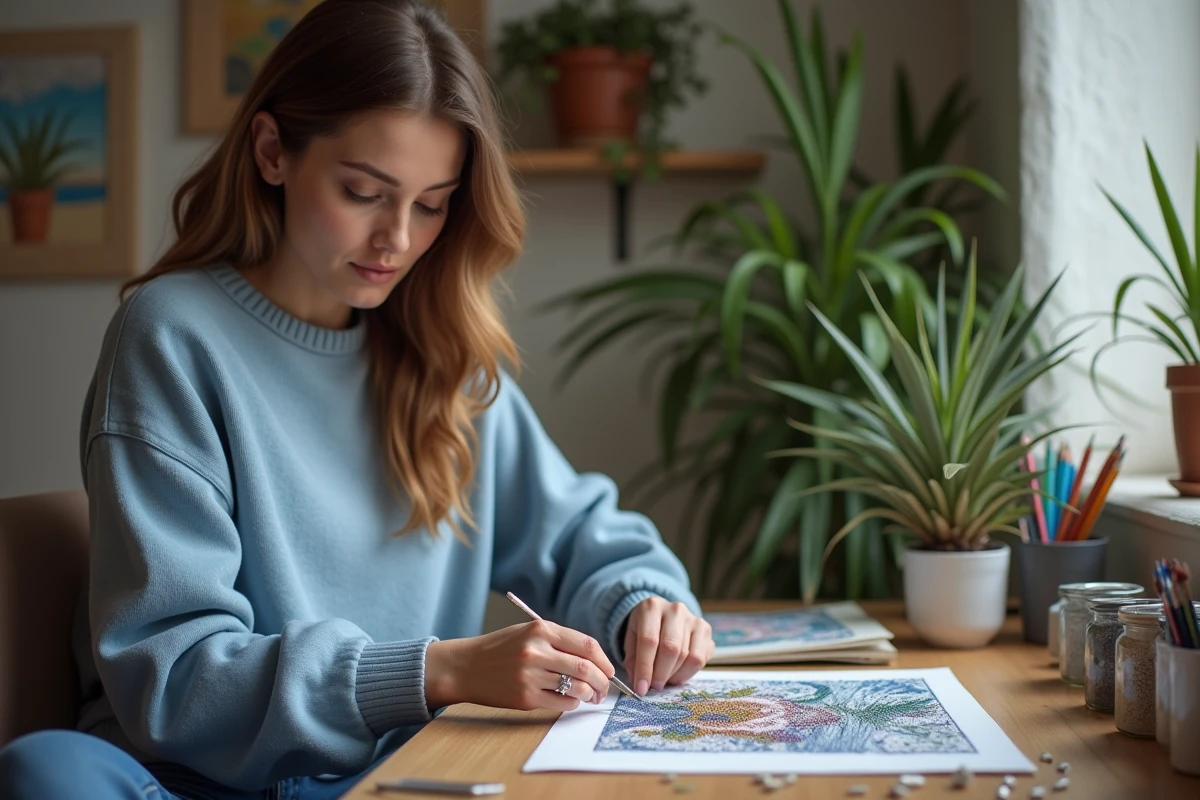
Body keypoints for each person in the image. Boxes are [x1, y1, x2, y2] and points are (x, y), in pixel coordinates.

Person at [0, 1, 712, 797]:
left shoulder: (446, 359)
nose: (398, 240)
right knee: (44, 772)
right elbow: (174, 675)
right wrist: (436, 670)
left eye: (432, 203)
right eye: (364, 191)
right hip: (189, 781)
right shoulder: (172, 336)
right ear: (273, 151)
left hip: (396, 779)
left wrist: (643, 606)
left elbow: (586, 538)